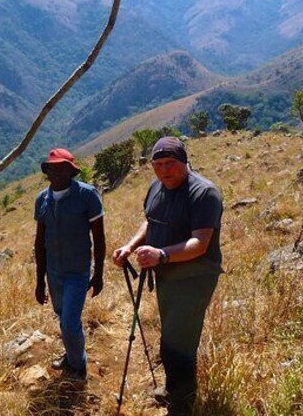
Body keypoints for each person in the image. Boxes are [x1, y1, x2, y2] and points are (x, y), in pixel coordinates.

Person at [112, 136, 223, 415]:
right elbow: (150, 221)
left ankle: (182, 405)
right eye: (158, 164)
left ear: (184, 162)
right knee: (172, 338)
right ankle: (175, 389)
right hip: (166, 276)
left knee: (178, 344)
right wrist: (130, 246)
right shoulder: (157, 187)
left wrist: (161, 254)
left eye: (170, 163)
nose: (165, 170)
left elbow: (200, 243)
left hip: (194, 278)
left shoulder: (203, 193)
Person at [34, 147, 106, 380]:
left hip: (78, 271)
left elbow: (99, 237)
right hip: (53, 272)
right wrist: (40, 281)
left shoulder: (87, 195)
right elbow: (39, 242)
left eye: (61, 168)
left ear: (70, 171)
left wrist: (99, 274)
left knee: (69, 322)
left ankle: (79, 366)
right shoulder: (42, 200)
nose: (56, 172)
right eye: (52, 168)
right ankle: (72, 354)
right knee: (62, 316)